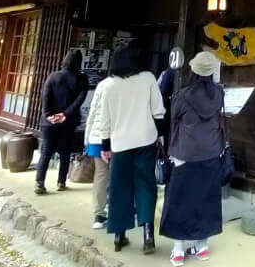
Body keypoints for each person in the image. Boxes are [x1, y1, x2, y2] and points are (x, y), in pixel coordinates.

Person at [88, 45, 165, 253]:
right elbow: (158, 111)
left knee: (120, 187)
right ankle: (148, 234)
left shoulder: (109, 85)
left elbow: (104, 118)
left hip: (119, 143)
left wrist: (105, 145)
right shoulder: (148, 78)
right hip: (145, 140)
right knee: (146, 185)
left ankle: (119, 235)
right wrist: (159, 136)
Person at [160, 50, 226, 267]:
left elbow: (173, 121)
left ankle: (179, 250)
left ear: (194, 70)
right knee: (206, 200)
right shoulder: (219, 94)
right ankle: (202, 246)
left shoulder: (183, 96)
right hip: (212, 152)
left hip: (185, 153)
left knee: (180, 200)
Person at [35, 50, 88, 195]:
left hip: (49, 122)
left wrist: (48, 115)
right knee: (65, 152)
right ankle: (61, 182)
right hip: (68, 121)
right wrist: (65, 114)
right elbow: (80, 100)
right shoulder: (82, 78)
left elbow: (45, 96)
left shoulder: (53, 76)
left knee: (46, 152)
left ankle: (39, 183)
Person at [81, 77, 110, 229]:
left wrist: (87, 137)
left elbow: (92, 112)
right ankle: (115, 209)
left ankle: (99, 215)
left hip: (96, 136)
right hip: (115, 138)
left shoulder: (102, 85)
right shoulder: (127, 85)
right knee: (118, 174)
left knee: (101, 175)